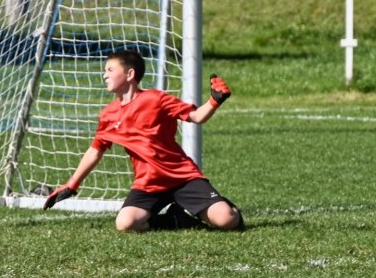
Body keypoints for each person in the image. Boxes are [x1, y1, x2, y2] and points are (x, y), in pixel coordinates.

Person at [42, 49, 244, 232]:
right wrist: (72, 184)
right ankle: (176, 220)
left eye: (110, 69)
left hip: (182, 177)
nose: (104, 75)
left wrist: (214, 100)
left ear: (130, 74)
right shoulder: (108, 115)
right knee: (125, 224)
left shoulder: (156, 99)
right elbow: (95, 150)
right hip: (148, 183)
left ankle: (224, 207)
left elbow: (197, 117)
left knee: (226, 221)